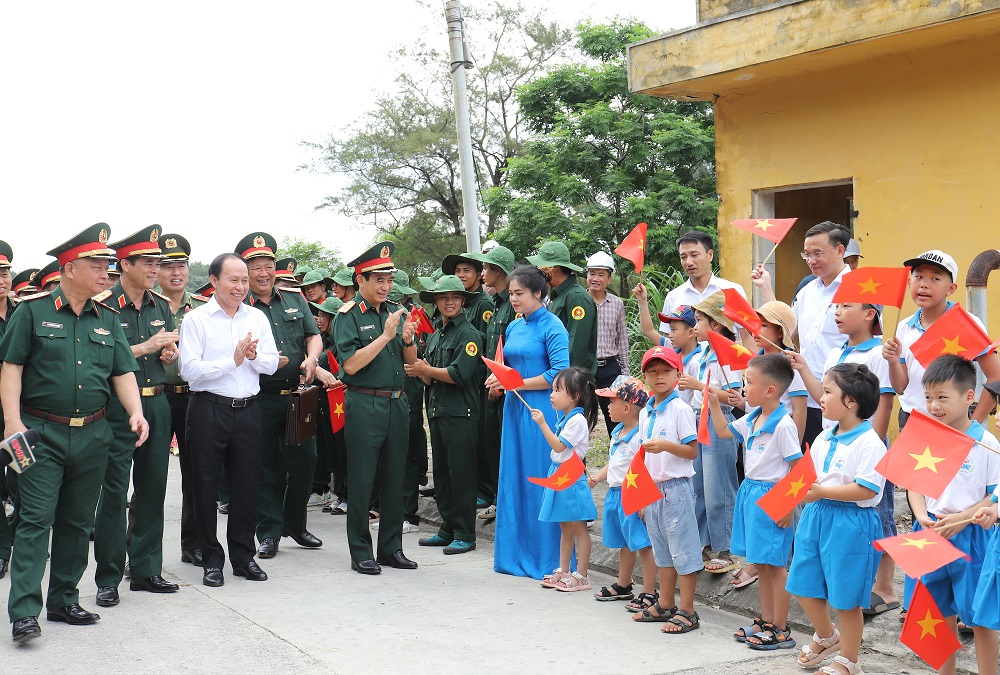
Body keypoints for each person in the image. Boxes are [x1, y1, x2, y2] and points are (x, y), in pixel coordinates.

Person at [1, 223, 149, 643]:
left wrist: (136, 412)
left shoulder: (109, 319)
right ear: (68, 269)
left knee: (76, 520)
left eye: (108, 264)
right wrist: (13, 422)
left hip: (94, 433)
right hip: (40, 432)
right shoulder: (32, 312)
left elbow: (123, 371)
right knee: (35, 520)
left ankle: (64, 600)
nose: (106, 271)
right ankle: (24, 612)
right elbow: (11, 366)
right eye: (97, 264)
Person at [179, 252, 279, 587]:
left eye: (244, 280)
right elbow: (189, 371)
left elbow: (270, 364)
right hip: (208, 408)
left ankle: (242, 556)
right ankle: (211, 558)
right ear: (214, 281)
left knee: (246, 486)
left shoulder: (256, 318)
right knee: (205, 487)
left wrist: (253, 356)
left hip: (248, 410)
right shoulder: (197, 320)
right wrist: (232, 361)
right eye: (233, 279)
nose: (240, 286)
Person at [93, 225, 180, 608]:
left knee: (152, 490)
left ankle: (146, 570)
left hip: (157, 403)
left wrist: (168, 354)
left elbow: (169, 346)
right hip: (117, 408)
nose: (155, 268)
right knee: (113, 493)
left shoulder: (162, 305)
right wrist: (145, 347)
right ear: (124, 264)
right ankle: (108, 577)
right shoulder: (102, 303)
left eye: (157, 262)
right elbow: (100, 359)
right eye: (147, 261)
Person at [785, 363, 886, 674]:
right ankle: (827, 636)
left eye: (828, 392)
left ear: (851, 401)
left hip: (851, 523)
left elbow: (866, 490)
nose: (822, 398)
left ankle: (849, 661)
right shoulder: (824, 437)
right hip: (817, 515)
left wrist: (822, 493)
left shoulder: (870, 443)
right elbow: (811, 477)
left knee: (846, 598)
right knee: (802, 583)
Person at [903, 356, 999, 675]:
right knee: (935, 613)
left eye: (942, 397)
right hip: (930, 534)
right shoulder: (926, 437)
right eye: (929, 397)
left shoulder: (985, 443)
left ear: (969, 397)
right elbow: (914, 487)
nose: (934, 406)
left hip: (971, 537)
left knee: (980, 616)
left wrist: (963, 518)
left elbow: (994, 494)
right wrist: (922, 516)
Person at [333, 242, 419, 575]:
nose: (386, 287)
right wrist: (385, 337)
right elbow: (351, 366)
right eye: (378, 280)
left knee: (395, 479)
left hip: (397, 401)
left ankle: (391, 548)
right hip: (365, 402)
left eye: (389, 280)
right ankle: (360, 551)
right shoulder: (348, 315)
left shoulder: (396, 311)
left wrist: (408, 340)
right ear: (361, 280)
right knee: (363, 479)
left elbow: (410, 364)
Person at [236, 232, 324, 559]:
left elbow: (312, 335)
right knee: (265, 466)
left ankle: (296, 525)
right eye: (255, 267)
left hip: (297, 396)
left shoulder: (294, 299)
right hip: (258, 397)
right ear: (245, 271)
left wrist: (312, 358)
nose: (263, 273)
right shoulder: (239, 307)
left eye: (268, 265)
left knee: (305, 461)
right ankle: (269, 532)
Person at [707, 354, 801, 650]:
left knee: (775, 566)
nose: (743, 387)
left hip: (773, 496)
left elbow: (798, 470)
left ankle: (781, 628)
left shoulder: (783, 425)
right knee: (760, 562)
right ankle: (766, 620)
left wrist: (788, 505)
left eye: (749, 382)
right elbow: (724, 432)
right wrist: (712, 404)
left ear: (770, 390)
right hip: (750, 493)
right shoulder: (752, 416)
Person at [490, 265, 569, 579]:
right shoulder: (513, 326)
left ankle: (547, 557)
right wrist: (498, 380)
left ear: (538, 293)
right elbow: (506, 366)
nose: (513, 299)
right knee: (516, 478)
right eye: (511, 293)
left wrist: (516, 383)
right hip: (514, 408)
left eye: (519, 293)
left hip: (542, 410)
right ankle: (514, 554)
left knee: (540, 478)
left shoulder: (554, 326)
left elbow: (560, 373)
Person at [753, 221, 852, 446]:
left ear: (840, 250)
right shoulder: (807, 292)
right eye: (806, 254)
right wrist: (765, 288)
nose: (810, 261)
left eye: (817, 253)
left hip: (843, 399)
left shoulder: (857, 290)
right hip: (807, 398)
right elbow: (786, 328)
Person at [407, 275, 484, 554]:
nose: (448, 302)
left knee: (461, 476)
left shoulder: (469, 334)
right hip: (439, 412)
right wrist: (422, 371)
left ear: (463, 300)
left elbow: (458, 374)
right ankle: (447, 528)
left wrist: (426, 370)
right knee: (442, 475)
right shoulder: (439, 332)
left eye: (454, 297)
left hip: (460, 415)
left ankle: (465, 532)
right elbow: (432, 379)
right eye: (442, 298)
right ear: (436, 302)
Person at [883, 249, 1000, 429]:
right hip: (911, 421)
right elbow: (900, 387)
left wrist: (973, 424)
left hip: (953, 424)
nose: (924, 285)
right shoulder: (905, 326)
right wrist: (892, 361)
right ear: (909, 282)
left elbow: (996, 374)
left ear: (951, 288)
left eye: (935, 279)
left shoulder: (965, 323)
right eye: (918, 277)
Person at [630, 346, 701, 634]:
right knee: (663, 552)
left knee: (683, 552)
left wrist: (666, 446)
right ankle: (666, 602)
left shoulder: (680, 409)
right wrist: (643, 498)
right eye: (653, 371)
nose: (659, 376)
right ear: (645, 376)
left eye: (666, 371)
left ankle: (688, 610)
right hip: (654, 489)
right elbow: (643, 459)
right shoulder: (647, 411)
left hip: (677, 488)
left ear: (677, 374)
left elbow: (692, 451)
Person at [156, 233, 208, 568]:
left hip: (194, 399)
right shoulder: (146, 306)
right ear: (155, 271)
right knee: (150, 478)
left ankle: (194, 544)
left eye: (181, 265)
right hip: (157, 398)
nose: (176, 272)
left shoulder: (204, 309)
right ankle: (142, 552)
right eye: (168, 266)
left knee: (197, 475)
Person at [686, 292, 742, 573]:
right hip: (699, 419)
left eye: (699, 320)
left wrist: (698, 387)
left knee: (719, 485)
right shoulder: (701, 355)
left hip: (718, 421)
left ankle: (726, 548)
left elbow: (733, 396)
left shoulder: (726, 355)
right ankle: (703, 543)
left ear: (717, 325)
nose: (693, 326)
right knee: (699, 486)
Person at [589, 376, 656, 606]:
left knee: (643, 544)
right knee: (626, 542)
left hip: (634, 495)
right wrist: (599, 476)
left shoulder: (640, 436)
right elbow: (615, 461)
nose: (607, 407)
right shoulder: (617, 432)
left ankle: (649, 591)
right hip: (616, 494)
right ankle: (624, 584)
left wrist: (645, 501)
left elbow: (648, 468)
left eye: (611, 402)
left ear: (627, 407)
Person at [531, 367, 598, 591]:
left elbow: (559, 446)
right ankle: (564, 569)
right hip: (560, 473)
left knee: (579, 526)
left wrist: (542, 424)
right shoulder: (567, 418)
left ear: (574, 396)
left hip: (570, 476)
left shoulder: (576, 420)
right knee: (565, 526)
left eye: (557, 390)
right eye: (552, 389)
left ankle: (582, 575)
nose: (552, 394)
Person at [466, 245, 516, 520]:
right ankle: (498, 497)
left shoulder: (512, 306)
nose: (482, 272)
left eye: (485, 268)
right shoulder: (498, 304)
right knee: (493, 444)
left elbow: (512, 351)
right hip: (493, 385)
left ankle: (504, 501)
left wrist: (501, 383)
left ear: (497, 271)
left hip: (507, 388)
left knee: (504, 445)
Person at [528, 241, 597, 381]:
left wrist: (562, 379)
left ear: (554, 269)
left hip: (573, 382)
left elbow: (575, 344)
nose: (538, 271)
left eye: (541, 267)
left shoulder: (576, 297)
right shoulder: (556, 296)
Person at [658, 231, 748, 334]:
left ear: (710, 255)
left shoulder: (732, 291)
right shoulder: (673, 297)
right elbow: (668, 339)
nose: (689, 262)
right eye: (683, 257)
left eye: (694, 255)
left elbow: (746, 334)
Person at [308, 296, 346, 515]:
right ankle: (339, 494)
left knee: (342, 452)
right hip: (324, 404)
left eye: (323, 315)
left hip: (339, 403)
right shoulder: (323, 341)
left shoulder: (341, 342)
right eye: (319, 314)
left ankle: (347, 495)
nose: (319, 319)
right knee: (332, 451)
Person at [585, 252, 628, 437]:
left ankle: (617, 460)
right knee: (581, 419)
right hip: (584, 368)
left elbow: (622, 340)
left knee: (615, 420)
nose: (595, 278)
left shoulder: (617, 303)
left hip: (609, 368)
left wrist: (625, 374)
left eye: (601, 274)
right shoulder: (578, 302)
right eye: (591, 273)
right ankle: (578, 465)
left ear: (609, 278)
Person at [0, 241, 16, 581]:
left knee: (23, 478)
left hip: (20, 413)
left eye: (4, 272)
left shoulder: (24, 311)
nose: (2, 279)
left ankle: (18, 536)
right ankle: (2, 549)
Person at [441, 252, 495, 336]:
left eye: (466, 271)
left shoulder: (484, 303)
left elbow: (487, 341)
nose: (461, 275)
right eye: (457, 271)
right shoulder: (461, 303)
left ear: (479, 275)